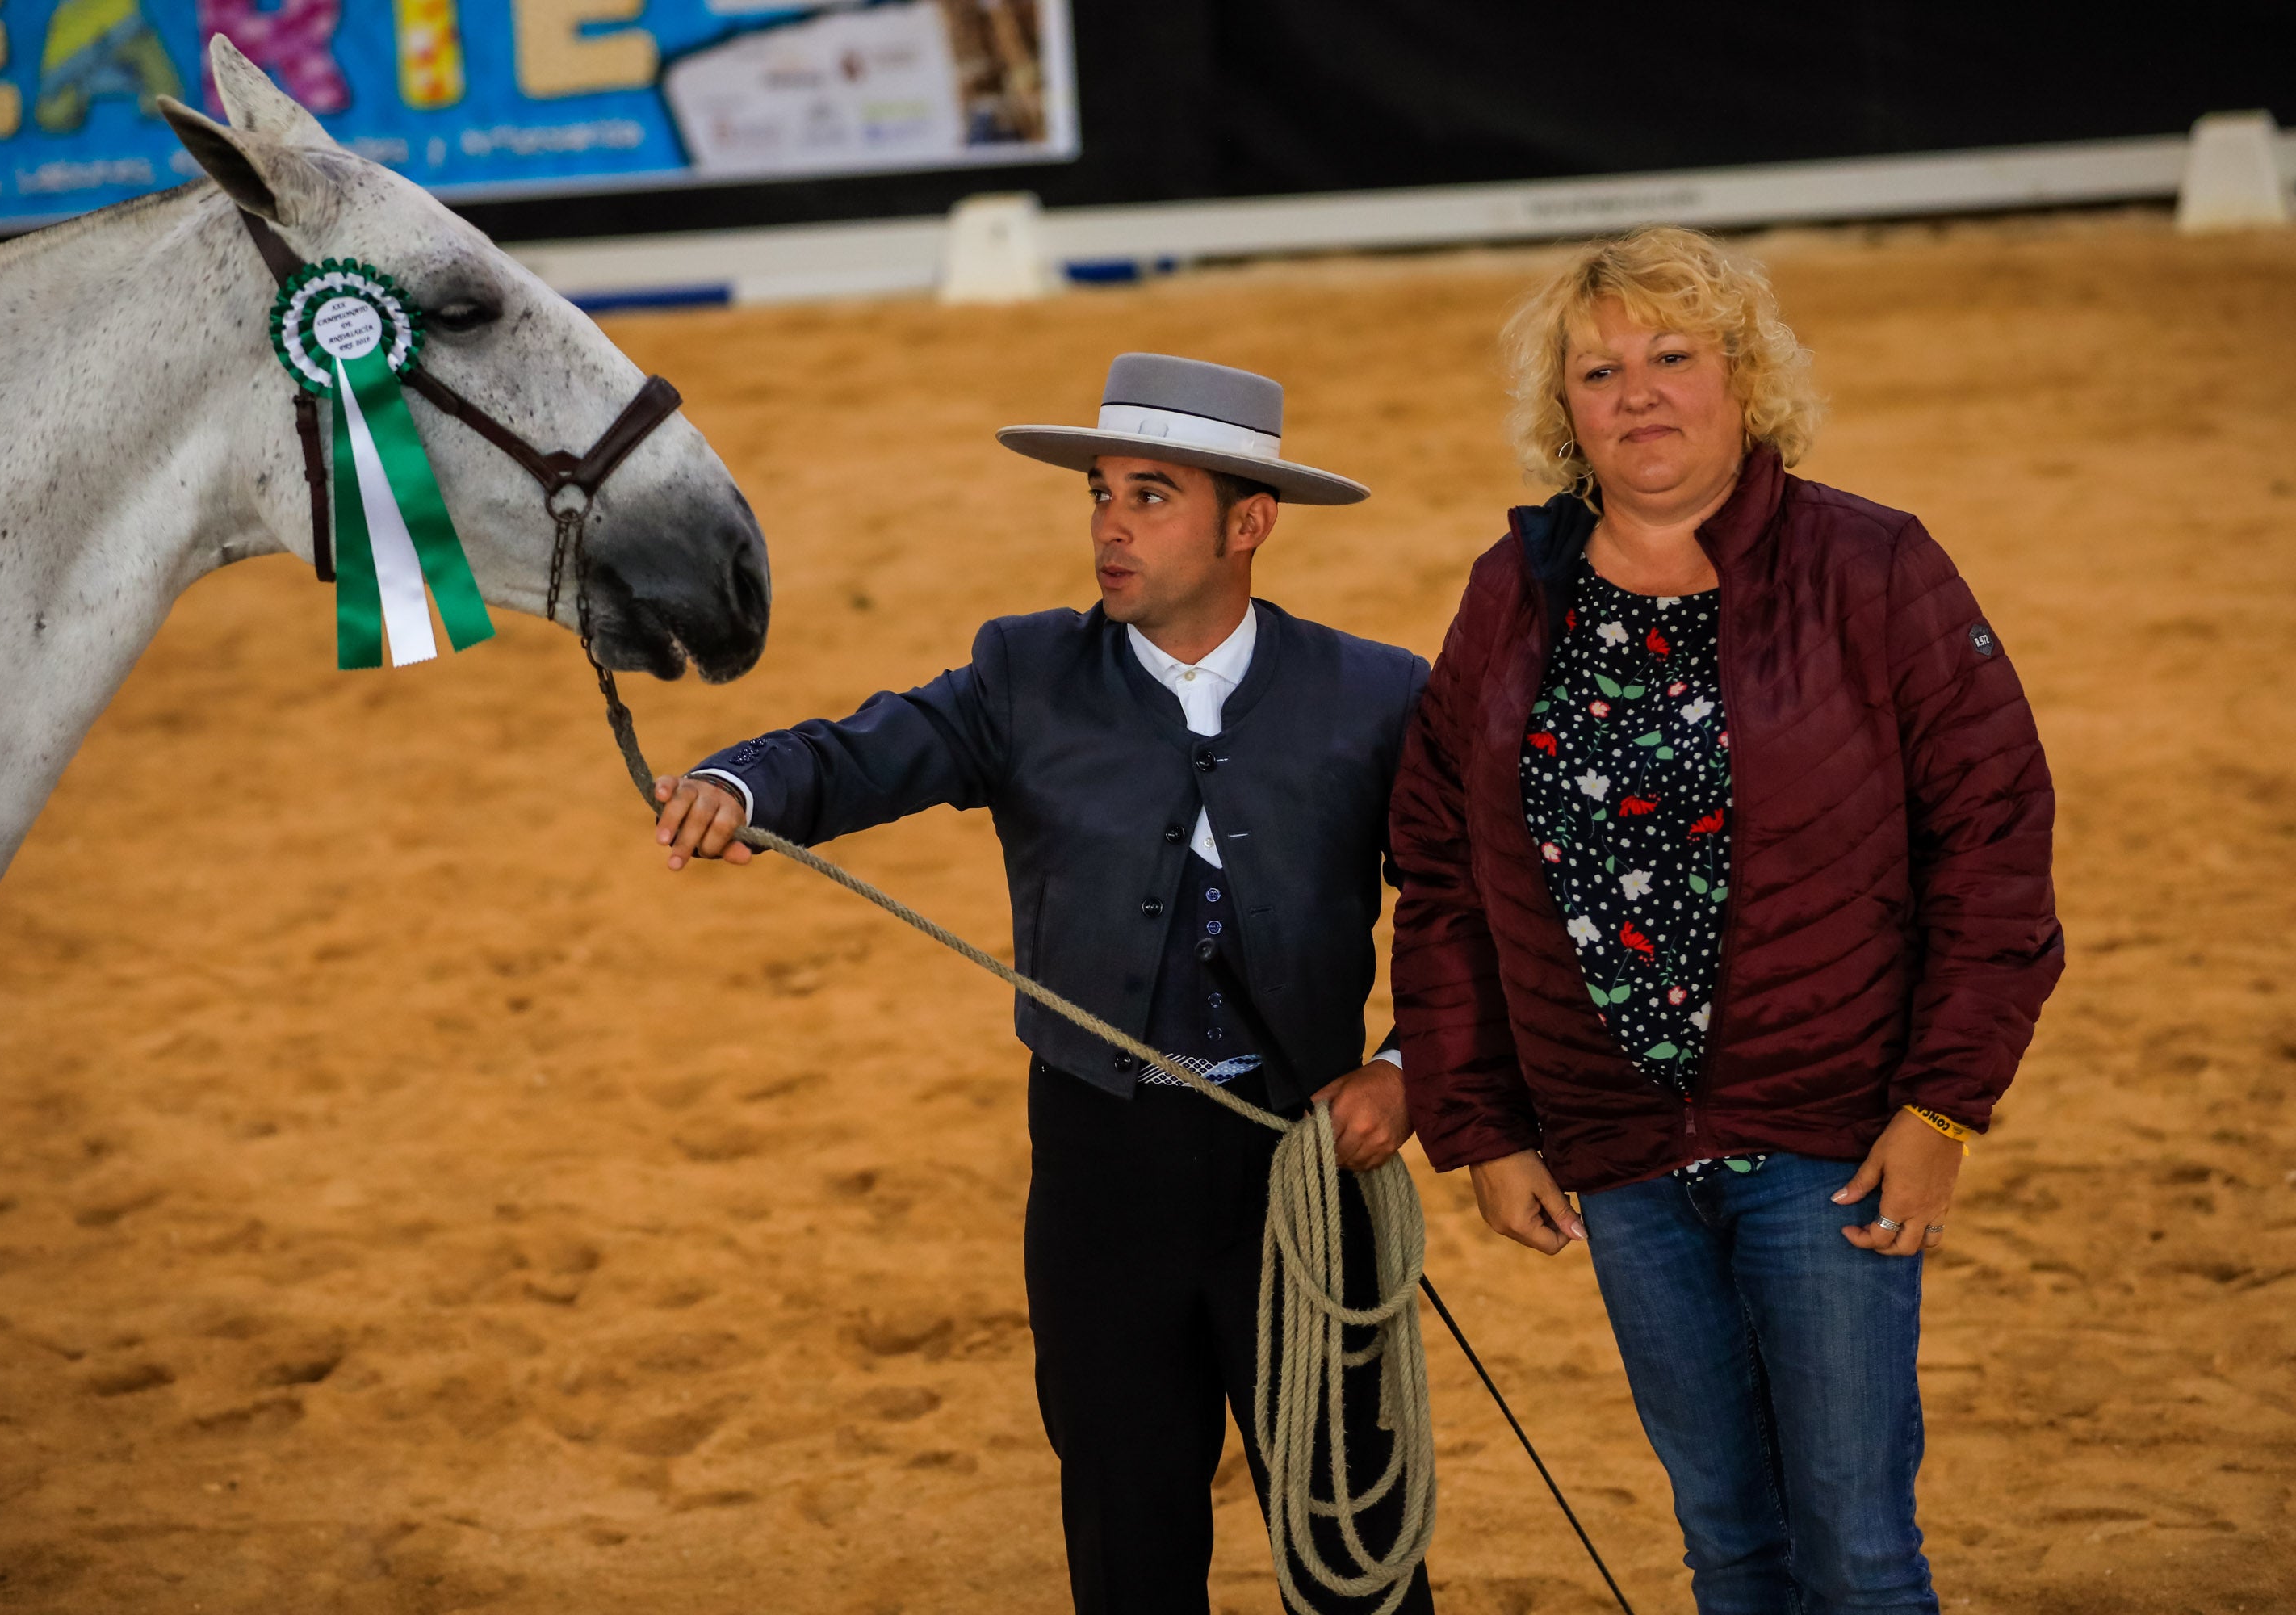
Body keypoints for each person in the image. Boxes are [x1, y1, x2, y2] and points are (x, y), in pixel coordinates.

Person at [652, 354, 1435, 1615]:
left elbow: (1465, 913)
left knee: (1353, 1534)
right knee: (1128, 1529)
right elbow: (868, 752)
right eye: (1099, 493)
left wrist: (1409, 1070)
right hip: (1098, 1166)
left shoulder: (1378, 692)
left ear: (1251, 522)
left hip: (1305, 1165)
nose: (1110, 526)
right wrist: (744, 787)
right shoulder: (1025, 674)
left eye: (1152, 495)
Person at [1389, 227, 2063, 1613]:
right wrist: (1486, 1123)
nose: (1638, 394)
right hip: (1619, 1152)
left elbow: (1995, 845)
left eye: (1673, 357)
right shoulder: (1510, 595)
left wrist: (1942, 1109)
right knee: (1728, 1547)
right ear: (1563, 412)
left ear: (1744, 381)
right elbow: (1442, 869)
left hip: (1832, 1137)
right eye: (1600, 370)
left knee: (1861, 1553)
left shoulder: (1873, 568)